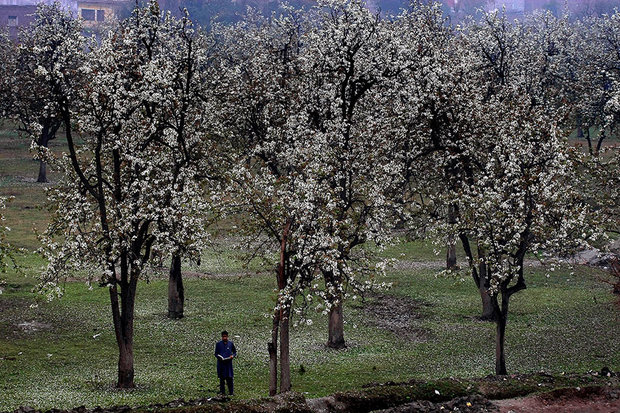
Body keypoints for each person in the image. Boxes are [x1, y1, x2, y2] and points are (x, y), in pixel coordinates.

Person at [214, 330, 237, 396]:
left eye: (225, 336)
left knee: (229, 378)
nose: (224, 338)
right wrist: (219, 357)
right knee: (222, 379)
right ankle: (222, 392)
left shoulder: (230, 344)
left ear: (227, 336)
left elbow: (235, 352)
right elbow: (216, 353)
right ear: (221, 337)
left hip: (228, 364)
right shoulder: (218, 344)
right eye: (223, 337)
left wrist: (232, 356)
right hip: (221, 364)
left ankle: (231, 392)